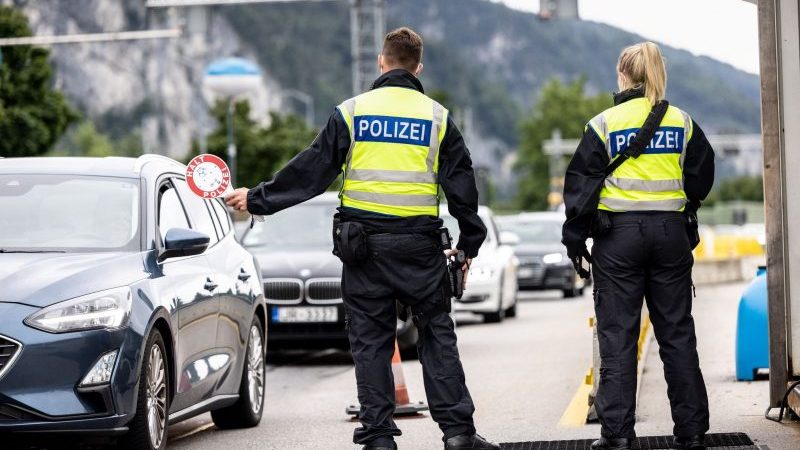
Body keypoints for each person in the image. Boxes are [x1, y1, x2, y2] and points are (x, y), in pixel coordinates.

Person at [225, 27, 499, 450]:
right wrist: (468, 247)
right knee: (436, 336)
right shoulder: (438, 117)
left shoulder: (352, 112)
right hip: (420, 248)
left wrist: (257, 199)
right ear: (418, 68)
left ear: (381, 62)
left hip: (363, 248)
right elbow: (464, 190)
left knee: (372, 341)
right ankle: (459, 434)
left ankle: (378, 438)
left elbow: (313, 170)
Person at [561, 42, 714, 450]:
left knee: (618, 337)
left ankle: (618, 436)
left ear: (623, 76)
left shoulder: (603, 124)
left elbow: (578, 190)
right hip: (670, 235)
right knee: (677, 334)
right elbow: (702, 175)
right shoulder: (682, 122)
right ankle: (693, 430)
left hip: (618, 240)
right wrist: (682, 207)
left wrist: (576, 242)